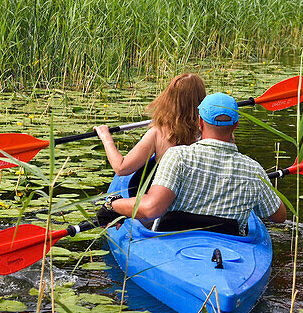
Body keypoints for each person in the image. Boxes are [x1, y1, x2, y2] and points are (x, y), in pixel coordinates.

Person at [97, 92, 287, 236]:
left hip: (173, 240)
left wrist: (113, 205)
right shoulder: (253, 169)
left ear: (200, 122)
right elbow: (279, 217)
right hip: (230, 246)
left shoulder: (177, 156)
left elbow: (151, 209)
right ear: (235, 126)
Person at [93, 73, 206, 177]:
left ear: (169, 98)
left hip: (165, 196)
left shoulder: (159, 132)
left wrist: (105, 137)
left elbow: (121, 168)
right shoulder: (209, 131)